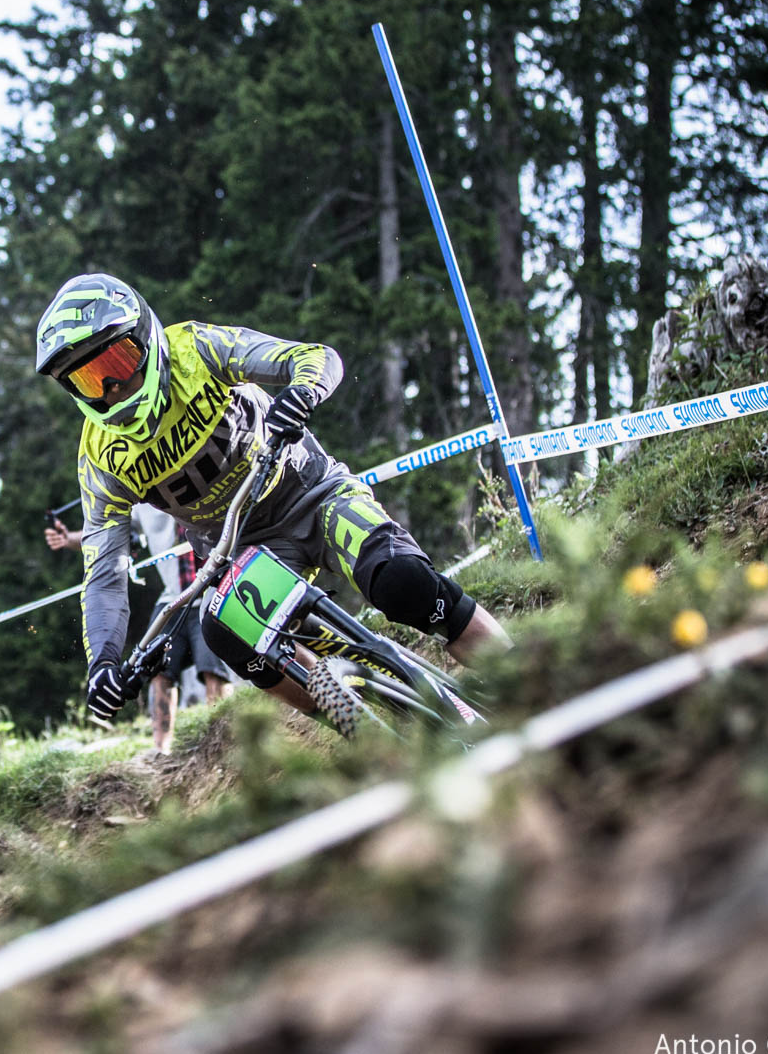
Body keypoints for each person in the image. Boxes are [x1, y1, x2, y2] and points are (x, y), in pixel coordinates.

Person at [32, 272, 511, 727]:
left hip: (311, 494)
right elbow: (104, 569)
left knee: (405, 582)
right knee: (228, 635)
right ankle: (356, 724)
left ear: (145, 335)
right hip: (242, 551)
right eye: (88, 380)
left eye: (114, 363)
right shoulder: (100, 456)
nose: (111, 387)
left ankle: (525, 679)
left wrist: (304, 392)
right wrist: (104, 660)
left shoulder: (196, 348)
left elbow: (316, 357)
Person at [45, 505, 233, 754]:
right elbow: (107, 533)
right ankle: (160, 750)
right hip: (174, 597)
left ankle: (223, 743)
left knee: (213, 670)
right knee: (157, 668)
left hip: (215, 587)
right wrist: (68, 538)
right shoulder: (143, 506)